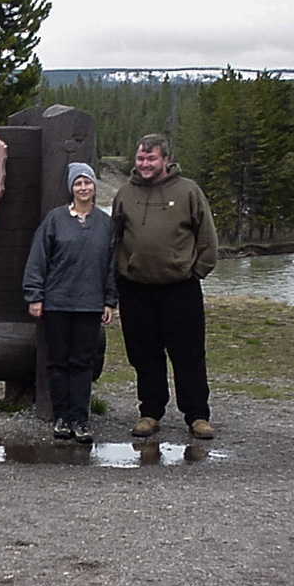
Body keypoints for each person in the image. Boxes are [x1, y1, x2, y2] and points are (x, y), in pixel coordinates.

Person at [112, 134, 218, 440]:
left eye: (151, 159)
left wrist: (196, 271)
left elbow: (207, 238)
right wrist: (120, 276)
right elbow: (115, 239)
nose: (145, 164)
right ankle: (150, 412)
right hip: (136, 290)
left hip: (180, 289)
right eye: (141, 159)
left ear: (165, 160)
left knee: (188, 355)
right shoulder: (124, 194)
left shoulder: (188, 191)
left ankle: (197, 415)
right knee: (144, 356)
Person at [23, 162, 117, 444]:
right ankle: (61, 417)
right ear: (71, 188)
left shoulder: (105, 223)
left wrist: (110, 300)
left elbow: (111, 265)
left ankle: (82, 419)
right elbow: (38, 259)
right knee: (58, 362)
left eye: (87, 182)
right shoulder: (54, 220)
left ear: (94, 187)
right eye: (78, 183)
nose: (83, 187)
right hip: (57, 303)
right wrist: (35, 295)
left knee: (83, 363)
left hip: (90, 305)